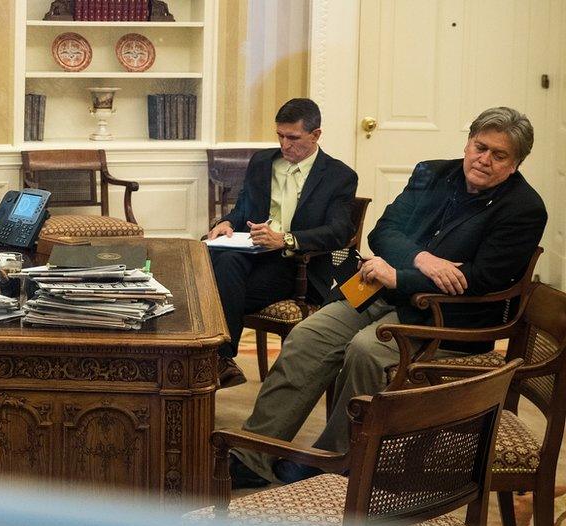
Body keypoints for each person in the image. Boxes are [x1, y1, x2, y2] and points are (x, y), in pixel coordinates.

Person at [228, 106, 548, 488]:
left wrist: (400, 275)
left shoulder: (525, 209)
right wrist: (423, 259)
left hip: (449, 318)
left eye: (500, 156)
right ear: (467, 143)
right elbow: (384, 232)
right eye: (481, 147)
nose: (485, 160)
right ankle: (255, 455)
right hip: (381, 291)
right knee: (308, 336)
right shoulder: (432, 172)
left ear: (515, 165)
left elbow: (479, 279)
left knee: (365, 351)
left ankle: (336, 461)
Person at [208, 98, 358, 387]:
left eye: (293, 138)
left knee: (212, 290)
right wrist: (225, 222)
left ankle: (217, 360)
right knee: (218, 262)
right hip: (251, 253)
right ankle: (221, 362)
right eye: (280, 136)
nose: (285, 144)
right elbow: (243, 208)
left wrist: (286, 239)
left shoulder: (339, 176)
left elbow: (340, 231)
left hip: (296, 265)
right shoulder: (263, 162)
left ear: (316, 135)